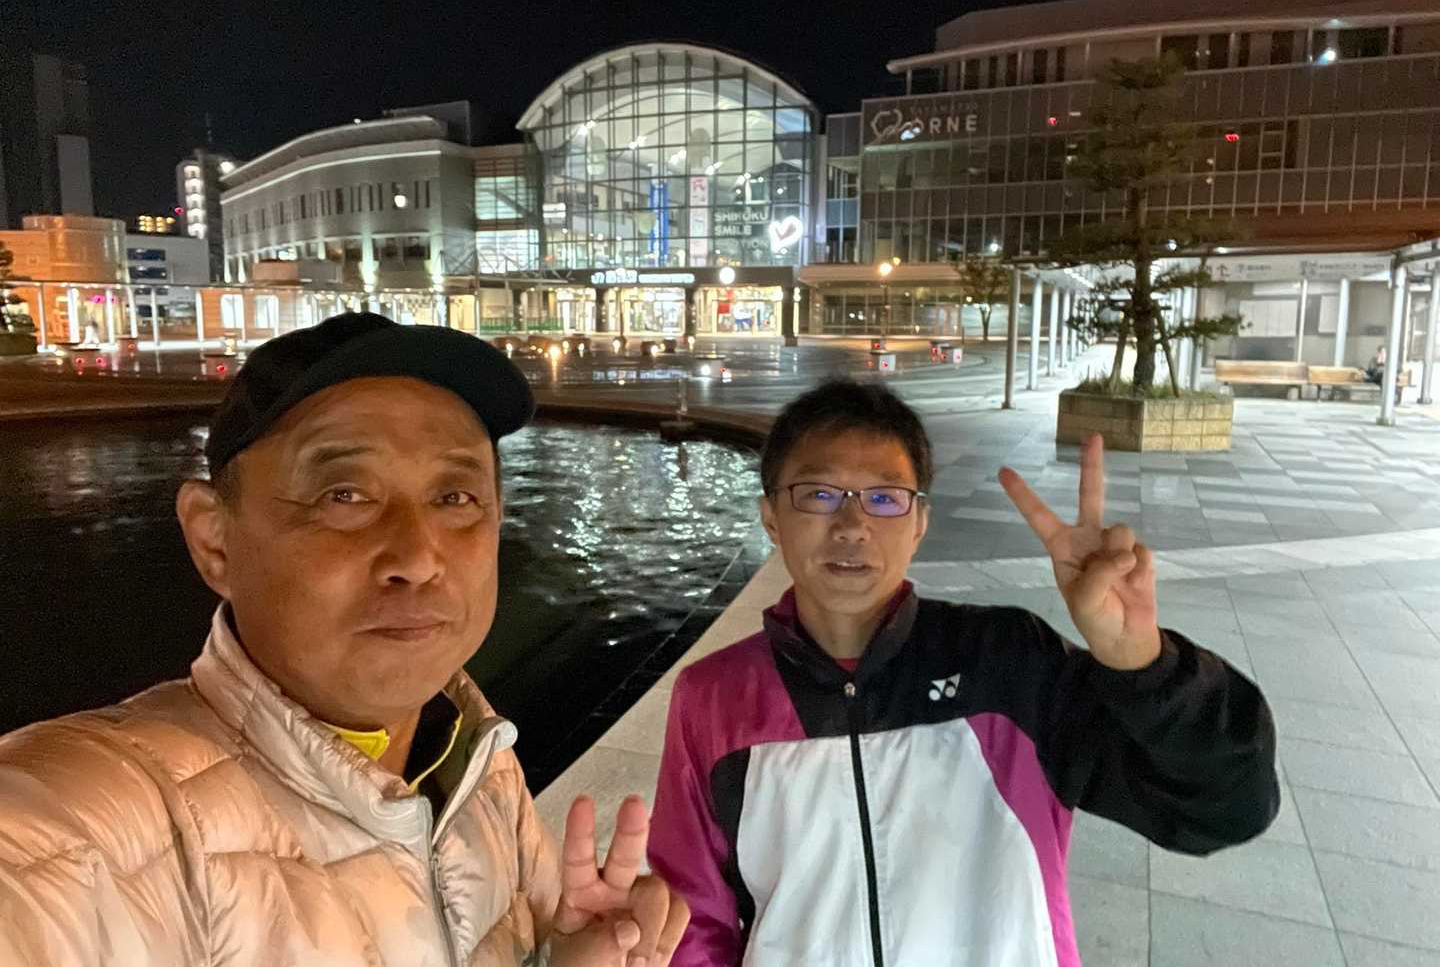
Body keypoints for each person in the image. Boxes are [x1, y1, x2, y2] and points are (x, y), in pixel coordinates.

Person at [0, 312, 688, 966]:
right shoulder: (92, 828)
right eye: (345, 496)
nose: (417, 557)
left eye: (455, 498)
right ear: (214, 540)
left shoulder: (477, 763)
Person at [648, 379, 1278, 966]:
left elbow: (1227, 809)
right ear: (770, 518)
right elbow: (693, 923)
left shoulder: (1009, 664)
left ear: (920, 523)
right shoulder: (713, 698)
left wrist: (1142, 663)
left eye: (884, 498)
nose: (852, 525)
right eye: (819, 494)